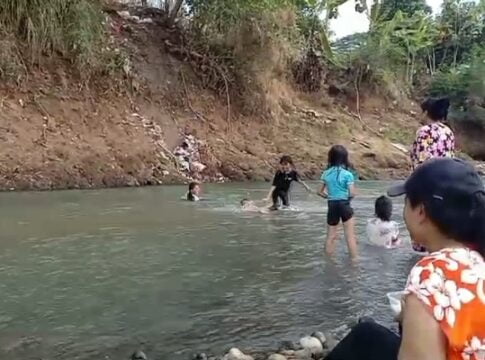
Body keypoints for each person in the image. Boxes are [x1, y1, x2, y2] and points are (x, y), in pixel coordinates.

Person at [324, 158, 485, 360]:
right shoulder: (476, 259)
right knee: (368, 334)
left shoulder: (432, 271)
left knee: (363, 338)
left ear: (421, 212)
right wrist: (408, 319)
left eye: (406, 201)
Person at [319, 145, 357, 259]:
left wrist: (329, 197)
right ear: (345, 158)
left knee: (330, 236)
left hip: (332, 204)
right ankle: (354, 262)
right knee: (350, 236)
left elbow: (319, 191)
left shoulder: (326, 173)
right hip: (344, 204)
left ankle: (329, 261)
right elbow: (352, 193)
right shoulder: (348, 174)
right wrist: (347, 200)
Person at [411, 97, 455, 168]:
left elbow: (422, 157)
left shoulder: (425, 131)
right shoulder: (448, 132)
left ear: (425, 113)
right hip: (446, 174)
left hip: (428, 175)